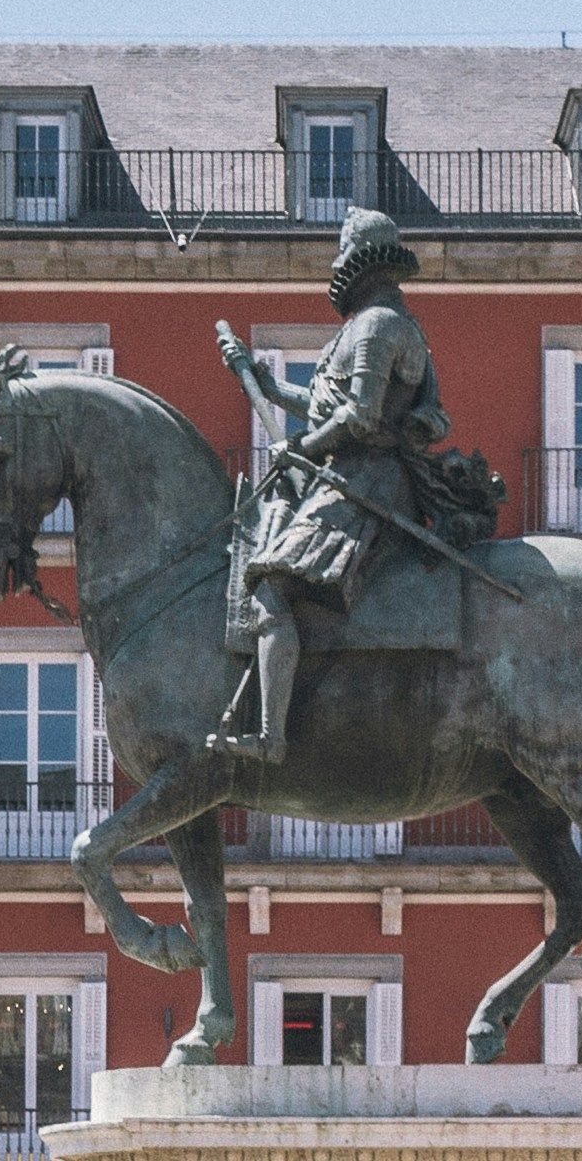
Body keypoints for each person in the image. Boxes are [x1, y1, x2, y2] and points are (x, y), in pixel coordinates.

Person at [205, 211, 504, 762]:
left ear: (358, 262)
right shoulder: (380, 324)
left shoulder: (376, 327)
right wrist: (268, 386)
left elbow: (361, 419)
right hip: (349, 474)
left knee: (270, 591)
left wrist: (302, 448)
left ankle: (271, 739)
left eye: (342, 251)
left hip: (366, 482)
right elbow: (331, 405)